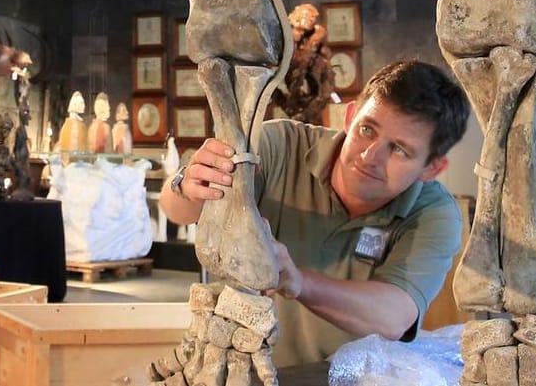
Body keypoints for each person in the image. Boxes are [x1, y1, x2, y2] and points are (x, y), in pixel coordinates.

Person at [161, 59, 470, 368]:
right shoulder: (277, 145)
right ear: (349, 117)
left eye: (399, 149)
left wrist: (299, 281)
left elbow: (394, 317)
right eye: (367, 129)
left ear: (432, 167)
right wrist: (187, 186)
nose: (370, 156)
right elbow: (176, 211)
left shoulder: (435, 213)